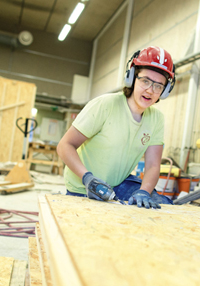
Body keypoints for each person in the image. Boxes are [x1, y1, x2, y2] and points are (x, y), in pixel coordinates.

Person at [57, 46, 176, 209]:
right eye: (145, 81)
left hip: (118, 184)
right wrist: (87, 179)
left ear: (165, 91)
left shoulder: (156, 119)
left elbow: (153, 166)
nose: (150, 90)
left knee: (159, 206)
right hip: (84, 185)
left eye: (158, 86)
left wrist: (144, 192)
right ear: (132, 78)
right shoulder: (105, 105)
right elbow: (65, 145)